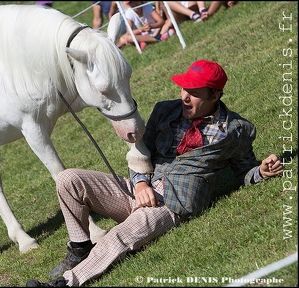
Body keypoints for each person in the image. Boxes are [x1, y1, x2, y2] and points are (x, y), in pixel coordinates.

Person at [26, 59, 284, 287]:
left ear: (215, 95)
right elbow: (141, 152)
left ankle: (65, 283)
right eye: (184, 88)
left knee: (118, 236)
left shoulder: (236, 130)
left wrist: (260, 171)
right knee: (68, 179)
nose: (184, 96)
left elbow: (244, 171)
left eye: (193, 92)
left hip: (172, 203)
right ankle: (80, 247)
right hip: (137, 190)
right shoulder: (165, 110)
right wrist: (139, 184)